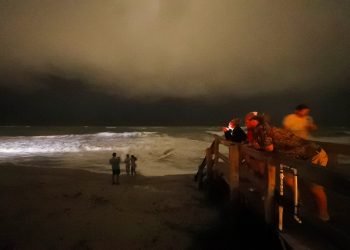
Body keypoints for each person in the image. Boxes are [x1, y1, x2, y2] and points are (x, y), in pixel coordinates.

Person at [250, 114, 329, 221]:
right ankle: (299, 203)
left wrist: (258, 146)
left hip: (313, 154)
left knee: (315, 187)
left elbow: (269, 148)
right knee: (288, 179)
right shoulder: (265, 130)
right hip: (297, 157)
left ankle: (323, 215)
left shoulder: (263, 130)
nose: (248, 124)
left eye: (250, 122)